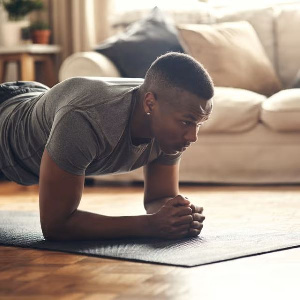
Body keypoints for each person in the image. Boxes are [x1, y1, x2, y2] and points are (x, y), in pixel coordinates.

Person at [0, 52, 214, 241]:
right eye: (187, 122)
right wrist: (149, 225)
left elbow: (159, 198)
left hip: (32, 100)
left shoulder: (169, 121)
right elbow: (56, 225)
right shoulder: (84, 118)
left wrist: (178, 215)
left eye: (199, 123)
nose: (193, 136)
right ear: (150, 104)